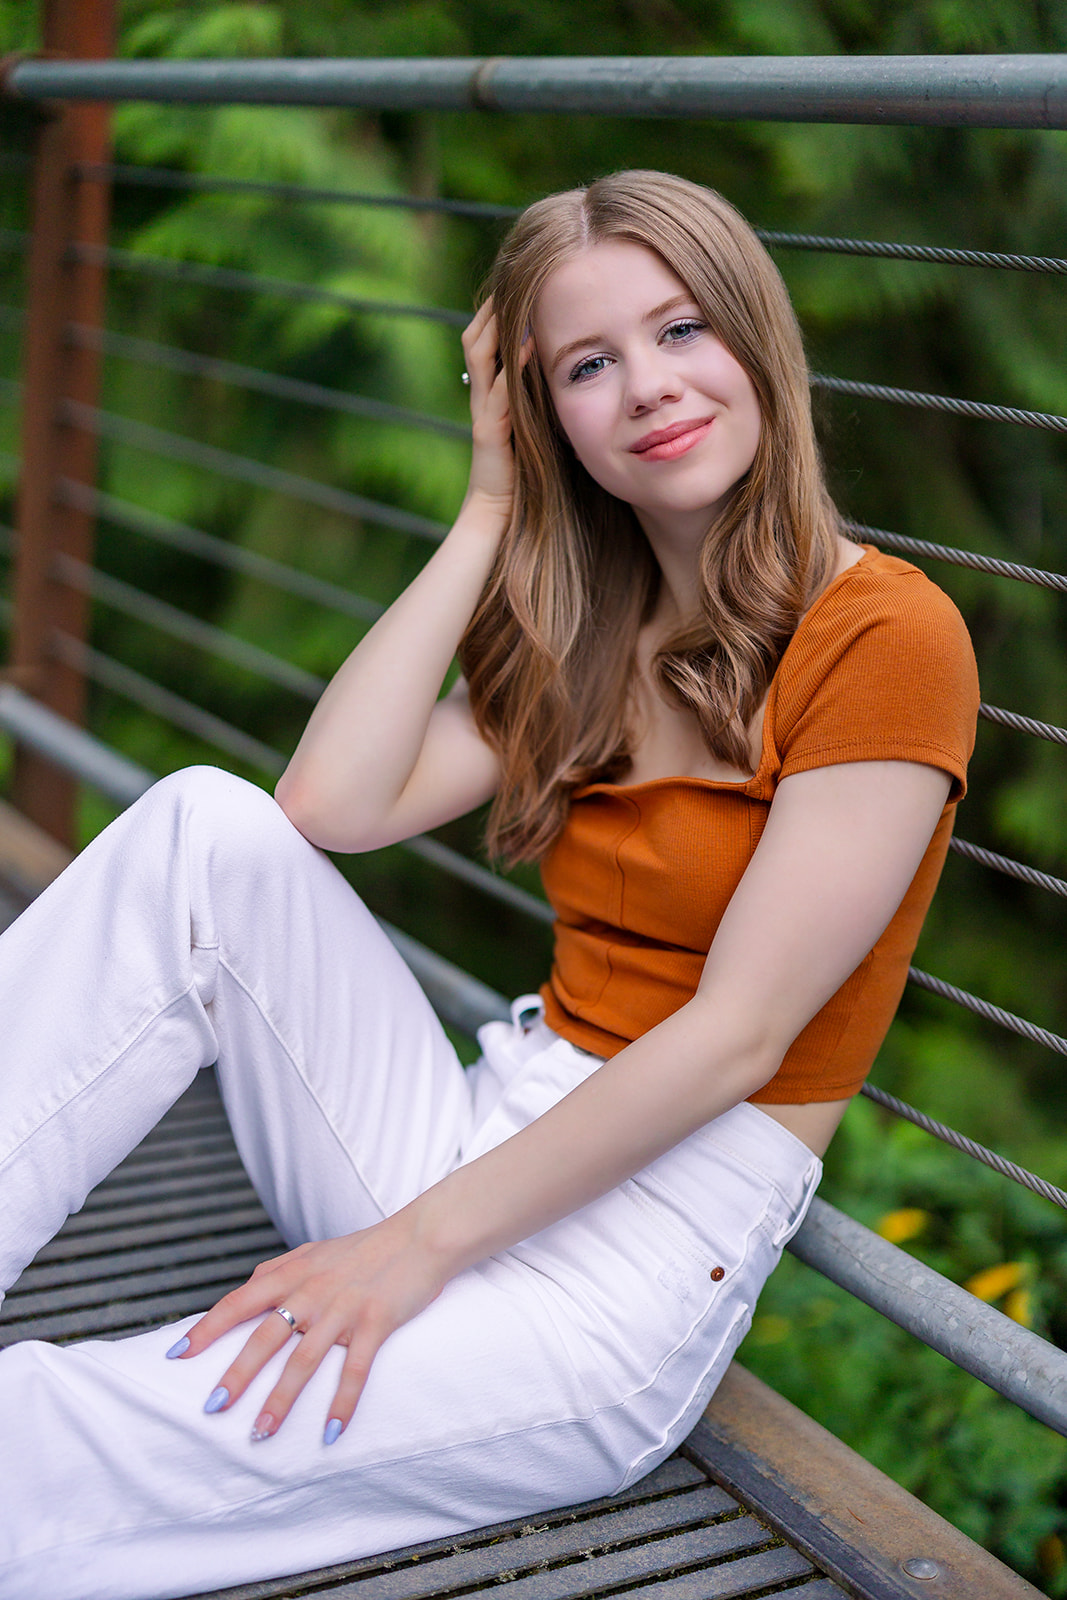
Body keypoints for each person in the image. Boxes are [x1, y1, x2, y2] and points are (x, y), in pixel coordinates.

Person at [0, 170, 979, 1600]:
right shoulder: (597, 622)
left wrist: (405, 1253)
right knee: (202, 830)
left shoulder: (888, 634)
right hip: (474, 1131)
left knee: (77, 1441)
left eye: (683, 329)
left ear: (759, 340)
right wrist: (485, 506)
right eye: (589, 364)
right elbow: (327, 808)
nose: (648, 387)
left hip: (628, 1268)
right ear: (542, 410)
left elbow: (739, 1038)